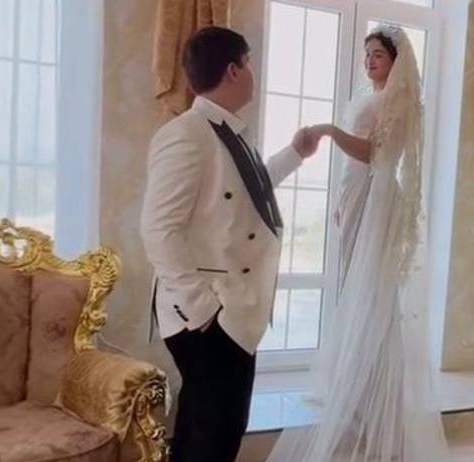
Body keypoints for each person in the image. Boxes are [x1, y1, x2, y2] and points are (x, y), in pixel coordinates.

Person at [266, 25, 450, 461]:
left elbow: (374, 154)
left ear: (396, 61)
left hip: (377, 199)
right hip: (358, 196)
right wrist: (341, 199)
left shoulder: (399, 101)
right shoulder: (370, 96)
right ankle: (358, 388)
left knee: (375, 296)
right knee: (358, 291)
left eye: (378, 55)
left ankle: (374, 395)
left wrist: (329, 130)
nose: (369, 61)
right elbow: (357, 163)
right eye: (366, 54)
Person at [140, 26, 319, 462]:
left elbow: (250, 195)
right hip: (208, 315)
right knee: (214, 438)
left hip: (232, 310)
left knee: (208, 430)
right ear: (234, 70)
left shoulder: (229, 132)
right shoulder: (187, 134)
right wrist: (204, 312)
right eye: (250, 62)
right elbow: (158, 229)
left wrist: (294, 154)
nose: (254, 72)